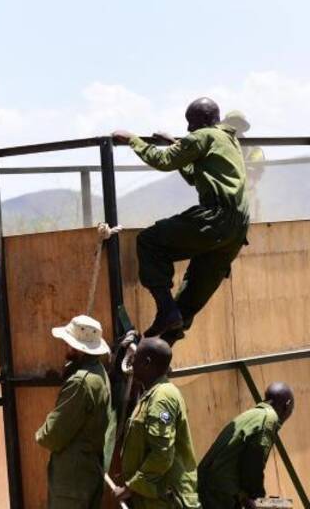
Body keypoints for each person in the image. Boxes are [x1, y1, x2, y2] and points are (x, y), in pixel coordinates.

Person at [113, 97, 249, 341]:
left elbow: (163, 161)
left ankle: (165, 310)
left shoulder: (202, 136)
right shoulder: (228, 140)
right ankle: (164, 348)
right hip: (237, 229)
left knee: (150, 242)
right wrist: (177, 144)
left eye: (191, 123)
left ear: (205, 121)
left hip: (215, 217)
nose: (188, 129)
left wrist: (133, 140)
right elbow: (195, 175)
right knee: (190, 298)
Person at [35, 315, 114, 508]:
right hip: (88, 474)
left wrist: (41, 431)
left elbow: (50, 436)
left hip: (72, 480)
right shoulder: (99, 374)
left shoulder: (81, 382)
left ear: (78, 348)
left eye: (69, 344)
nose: (66, 348)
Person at [115, 338, 199, 508]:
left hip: (165, 499)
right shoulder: (152, 394)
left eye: (136, 357)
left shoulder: (161, 398)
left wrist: (131, 487)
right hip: (154, 496)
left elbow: (162, 454)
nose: (132, 362)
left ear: (146, 363)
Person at [197, 382, 295, 509]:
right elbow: (255, 460)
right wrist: (257, 497)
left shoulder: (252, 414)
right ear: (287, 406)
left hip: (210, 483)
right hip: (220, 491)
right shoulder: (269, 418)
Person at [221, 110, 266, 222]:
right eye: (231, 123)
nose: (234, 126)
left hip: (247, 200)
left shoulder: (254, 149)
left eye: (237, 123)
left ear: (242, 126)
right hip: (223, 202)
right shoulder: (219, 147)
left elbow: (254, 171)